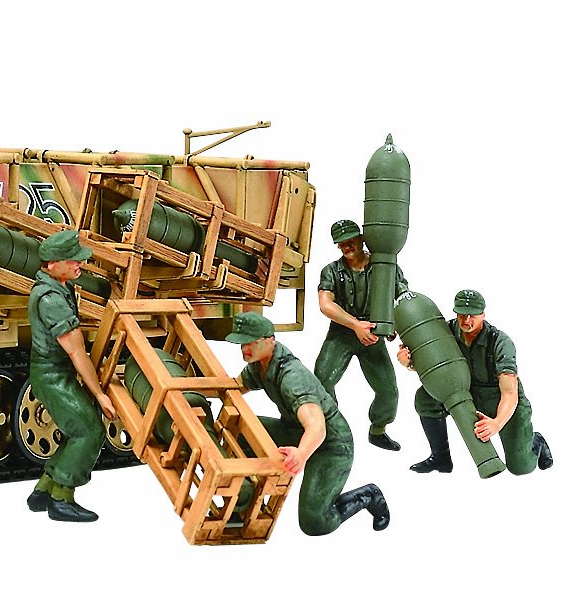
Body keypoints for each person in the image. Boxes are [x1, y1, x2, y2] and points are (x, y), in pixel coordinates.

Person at [228, 312, 390, 535]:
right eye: (241, 343)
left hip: (330, 445)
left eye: (250, 342)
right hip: (294, 431)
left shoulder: (293, 377)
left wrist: (301, 454)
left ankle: (369, 495)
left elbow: (317, 426)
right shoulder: (260, 364)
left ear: (270, 340)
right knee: (240, 430)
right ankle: (243, 504)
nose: (244, 349)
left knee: (315, 522)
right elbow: (236, 386)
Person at [397, 289, 553, 474]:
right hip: (467, 392)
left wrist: (496, 423)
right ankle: (441, 458)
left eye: (472, 315)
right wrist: (409, 363)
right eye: (462, 315)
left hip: (499, 399)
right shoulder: (446, 332)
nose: (466, 321)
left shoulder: (499, 342)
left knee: (521, 467)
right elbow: (436, 367)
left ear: (483, 314)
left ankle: (536, 441)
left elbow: (510, 392)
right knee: (425, 398)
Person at [25, 230, 116, 522]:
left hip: (55, 372)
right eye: (72, 260)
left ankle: (44, 490)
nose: (80, 264)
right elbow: (76, 351)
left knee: (76, 429)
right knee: (89, 431)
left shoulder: (58, 288)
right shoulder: (51, 299)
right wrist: (100, 395)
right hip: (52, 375)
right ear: (53, 264)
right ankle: (61, 500)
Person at [314, 219, 407, 451]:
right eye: (341, 243)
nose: (347, 246)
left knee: (388, 391)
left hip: (373, 335)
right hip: (342, 333)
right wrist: (355, 325)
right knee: (322, 381)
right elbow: (325, 304)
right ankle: (330, 430)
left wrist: (393, 323)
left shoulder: (385, 267)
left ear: (362, 239)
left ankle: (378, 430)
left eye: (351, 240)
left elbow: (403, 298)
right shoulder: (331, 271)